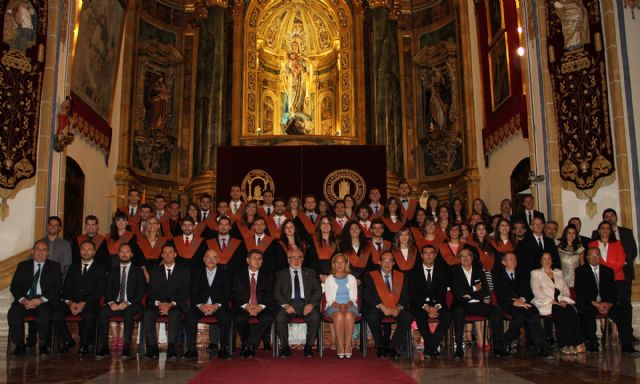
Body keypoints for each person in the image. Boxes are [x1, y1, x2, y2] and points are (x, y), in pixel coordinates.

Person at [575, 247, 639, 354]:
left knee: (621, 312)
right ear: (587, 257)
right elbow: (580, 292)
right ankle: (592, 342)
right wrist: (596, 304)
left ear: (600, 256)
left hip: (606, 303)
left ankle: (627, 345)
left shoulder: (607, 271)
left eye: (597, 255)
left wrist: (609, 304)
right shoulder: (581, 271)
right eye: (592, 255)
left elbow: (613, 291)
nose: (595, 257)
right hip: (590, 303)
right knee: (587, 312)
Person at [450, 248, 509, 359]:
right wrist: (474, 289)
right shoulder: (454, 271)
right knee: (458, 312)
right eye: (462, 256)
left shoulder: (479, 271)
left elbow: (485, 290)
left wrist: (469, 293)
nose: (465, 258)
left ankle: (498, 347)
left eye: (468, 256)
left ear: (472, 258)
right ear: (459, 259)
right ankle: (458, 349)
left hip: (477, 304)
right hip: (461, 304)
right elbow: (456, 291)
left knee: (496, 311)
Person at [8, 240, 62, 356]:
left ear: (48, 253)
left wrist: (41, 300)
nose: (40, 252)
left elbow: (57, 287)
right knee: (13, 314)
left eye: (44, 250)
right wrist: (23, 300)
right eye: (37, 249)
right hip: (25, 298)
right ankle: (19, 345)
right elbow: (14, 286)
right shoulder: (23, 265)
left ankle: (43, 345)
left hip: (44, 300)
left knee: (44, 313)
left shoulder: (54, 266)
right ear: (32, 251)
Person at [53, 239, 107, 355]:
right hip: (71, 302)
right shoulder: (73, 266)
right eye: (83, 249)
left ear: (94, 252)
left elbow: (100, 291)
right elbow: (66, 287)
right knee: (56, 314)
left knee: (88, 315)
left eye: (89, 250)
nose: (86, 252)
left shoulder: (100, 268)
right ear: (80, 251)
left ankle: (84, 345)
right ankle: (68, 340)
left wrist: (83, 303)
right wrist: (70, 302)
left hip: (90, 303)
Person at [493, 252, 550, 358]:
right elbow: (500, 292)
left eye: (515, 259)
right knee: (519, 317)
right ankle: (506, 341)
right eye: (510, 259)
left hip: (523, 301)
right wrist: (513, 301)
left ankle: (542, 348)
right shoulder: (498, 274)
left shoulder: (523, 273)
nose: (513, 261)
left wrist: (521, 299)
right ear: (503, 262)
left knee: (534, 314)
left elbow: (528, 291)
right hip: (507, 303)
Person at [591, 208, 637, 339]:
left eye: (612, 215)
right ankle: (610, 332)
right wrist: (605, 273)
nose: (610, 218)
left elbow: (632, 253)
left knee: (624, 304)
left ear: (616, 217)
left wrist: (614, 268)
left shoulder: (626, 232)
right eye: (607, 216)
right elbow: (593, 256)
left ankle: (628, 334)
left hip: (623, 274)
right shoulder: (595, 235)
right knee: (608, 304)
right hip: (601, 278)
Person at [144, 244, 194, 360]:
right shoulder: (155, 271)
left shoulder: (184, 271)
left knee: (174, 314)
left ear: (175, 254)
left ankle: (171, 347)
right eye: (165, 253)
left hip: (176, 304)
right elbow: (151, 291)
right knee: (147, 313)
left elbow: (185, 291)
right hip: (159, 304)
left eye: (170, 252)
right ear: (162, 255)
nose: (167, 255)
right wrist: (161, 303)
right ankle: (152, 347)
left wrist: (170, 304)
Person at [96, 243, 146, 360]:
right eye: (122, 252)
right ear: (118, 254)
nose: (124, 254)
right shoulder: (113, 271)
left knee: (128, 313)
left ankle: (126, 349)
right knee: (103, 313)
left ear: (131, 254)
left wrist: (127, 303)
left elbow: (141, 291)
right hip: (116, 303)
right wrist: (111, 303)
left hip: (132, 304)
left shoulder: (138, 271)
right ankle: (104, 348)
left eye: (127, 251)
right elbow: (107, 291)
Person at [530, 252, 585, 354]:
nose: (547, 261)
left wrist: (563, 299)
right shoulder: (536, 273)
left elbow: (565, 288)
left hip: (561, 300)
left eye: (549, 258)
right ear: (540, 261)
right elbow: (536, 291)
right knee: (560, 312)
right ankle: (564, 344)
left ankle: (577, 343)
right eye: (544, 259)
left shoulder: (558, 272)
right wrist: (552, 301)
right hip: (546, 302)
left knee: (571, 312)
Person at [273, 248, 322, 358]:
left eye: (299, 257)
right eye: (293, 257)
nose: (296, 260)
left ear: (303, 259)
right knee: (279, 318)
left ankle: (308, 347)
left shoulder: (310, 273)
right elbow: (276, 293)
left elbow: (318, 291)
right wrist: (285, 305)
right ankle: (285, 348)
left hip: (306, 305)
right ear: (288, 260)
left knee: (315, 317)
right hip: (288, 305)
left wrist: (311, 304)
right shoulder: (281, 274)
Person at [364, 251, 412, 360]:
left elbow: (406, 296)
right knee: (372, 316)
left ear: (394, 262)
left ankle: (393, 346)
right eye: (384, 260)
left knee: (407, 316)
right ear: (379, 263)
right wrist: (381, 306)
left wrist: (399, 307)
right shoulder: (372, 275)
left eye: (390, 260)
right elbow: (367, 295)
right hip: (380, 308)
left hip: (395, 307)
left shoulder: (401, 276)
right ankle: (380, 345)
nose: (387, 263)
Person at [408, 245, 452, 358]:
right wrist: (426, 307)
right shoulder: (414, 271)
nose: (428, 255)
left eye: (431, 253)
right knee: (421, 316)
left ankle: (430, 346)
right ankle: (432, 347)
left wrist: (436, 307)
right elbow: (414, 293)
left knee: (447, 316)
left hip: (438, 303)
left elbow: (442, 292)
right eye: (426, 253)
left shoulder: (441, 270)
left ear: (435, 255)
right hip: (419, 304)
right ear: (421, 256)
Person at [188, 249, 232, 359]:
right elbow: (193, 292)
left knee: (226, 316)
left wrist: (216, 305)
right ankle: (191, 349)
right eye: (208, 257)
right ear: (204, 259)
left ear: (218, 260)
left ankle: (223, 349)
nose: (210, 260)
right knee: (189, 315)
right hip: (201, 306)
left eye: (214, 257)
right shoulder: (196, 273)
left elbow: (227, 293)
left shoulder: (225, 274)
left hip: (218, 306)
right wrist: (201, 305)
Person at [232, 249, 274, 358]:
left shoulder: (267, 275)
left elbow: (270, 294)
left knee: (268, 318)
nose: (257, 261)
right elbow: (234, 294)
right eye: (254, 258)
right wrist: (246, 306)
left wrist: (260, 306)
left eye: (260, 259)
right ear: (247, 260)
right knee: (239, 319)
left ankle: (248, 345)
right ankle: (249, 346)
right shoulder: (238, 275)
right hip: (244, 306)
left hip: (261, 307)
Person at [324, 253, 359, 358]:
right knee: (339, 315)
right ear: (333, 264)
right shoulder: (329, 279)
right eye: (337, 262)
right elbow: (329, 299)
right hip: (333, 306)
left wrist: (347, 305)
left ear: (346, 264)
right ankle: (339, 345)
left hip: (350, 305)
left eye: (342, 262)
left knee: (348, 315)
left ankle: (348, 346)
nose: (339, 264)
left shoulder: (352, 278)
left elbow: (354, 297)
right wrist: (339, 306)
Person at [138, 216, 169, 282]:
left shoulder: (164, 241)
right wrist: (145, 272)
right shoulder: (140, 241)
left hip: (161, 270)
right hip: (143, 272)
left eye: (154, 223)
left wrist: (158, 271)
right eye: (150, 223)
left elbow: (166, 257)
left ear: (158, 226)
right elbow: (138, 259)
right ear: (146, 226)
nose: (152, 225)